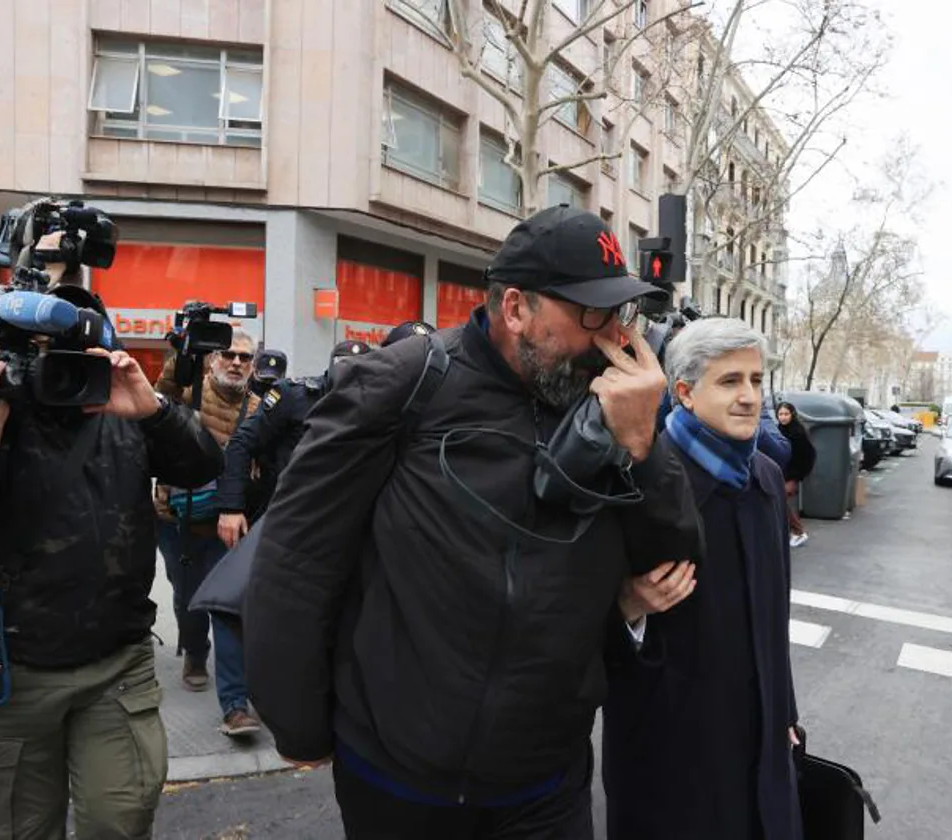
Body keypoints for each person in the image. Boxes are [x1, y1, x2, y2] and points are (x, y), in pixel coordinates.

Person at [244, 204, 704, 839]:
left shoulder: (610, 400)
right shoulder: (404, 383)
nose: (613, 338)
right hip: (398, 779)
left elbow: (673, 559)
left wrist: (643, 443)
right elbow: (298, 559)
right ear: (516, 309)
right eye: (591, 314)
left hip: (547, 782)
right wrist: (298, 722)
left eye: (620, 315)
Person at [0, 254, 222, 837]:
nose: (61, 369)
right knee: (15, 829)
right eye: (39, 352)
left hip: (116, 667)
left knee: (121, 818)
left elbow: (203, 464)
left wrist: (153, 412)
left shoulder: (123, 412)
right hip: (11, 673)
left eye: (77, 355)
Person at [603, 317, 802, 840]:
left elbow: (773, 614)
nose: (749, 397)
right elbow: (579, 627)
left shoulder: (762, 477)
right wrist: (627, 609)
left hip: (761, 747)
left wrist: (785, 712)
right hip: (673, 761)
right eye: (730, 381)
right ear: (685, 393)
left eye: (756, 381)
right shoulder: (635, 480)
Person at [154, 330, 263, 736]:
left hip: (228, 527)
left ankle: (235, 705)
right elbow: (157, 396)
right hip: (175, 522)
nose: (236, 363)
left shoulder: (258, 408)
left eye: (245, 358)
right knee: (187, 599)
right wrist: (181, 355)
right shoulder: (186, 392)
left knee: (227, 607)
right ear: (212, 360)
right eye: (228, 355)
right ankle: (196, 653)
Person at [216, 339, 372, 549]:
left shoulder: (377, 406)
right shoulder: (295, 395)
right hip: (287, 516)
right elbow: (241, 443)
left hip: (342, 520)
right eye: (345, 366)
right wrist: (231, 508)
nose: (352, 375)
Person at [776, 401, 816, 548]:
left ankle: (798, 532)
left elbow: (809, 455)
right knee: (779, 502)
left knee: (779, 501)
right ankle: (792, 532)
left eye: (786, 414)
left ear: (792, 414)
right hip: (782, 473)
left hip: (792, 474)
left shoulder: (798, 432)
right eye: (780, 414)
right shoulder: (779, 430)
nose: (783, 417)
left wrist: (798, 475)